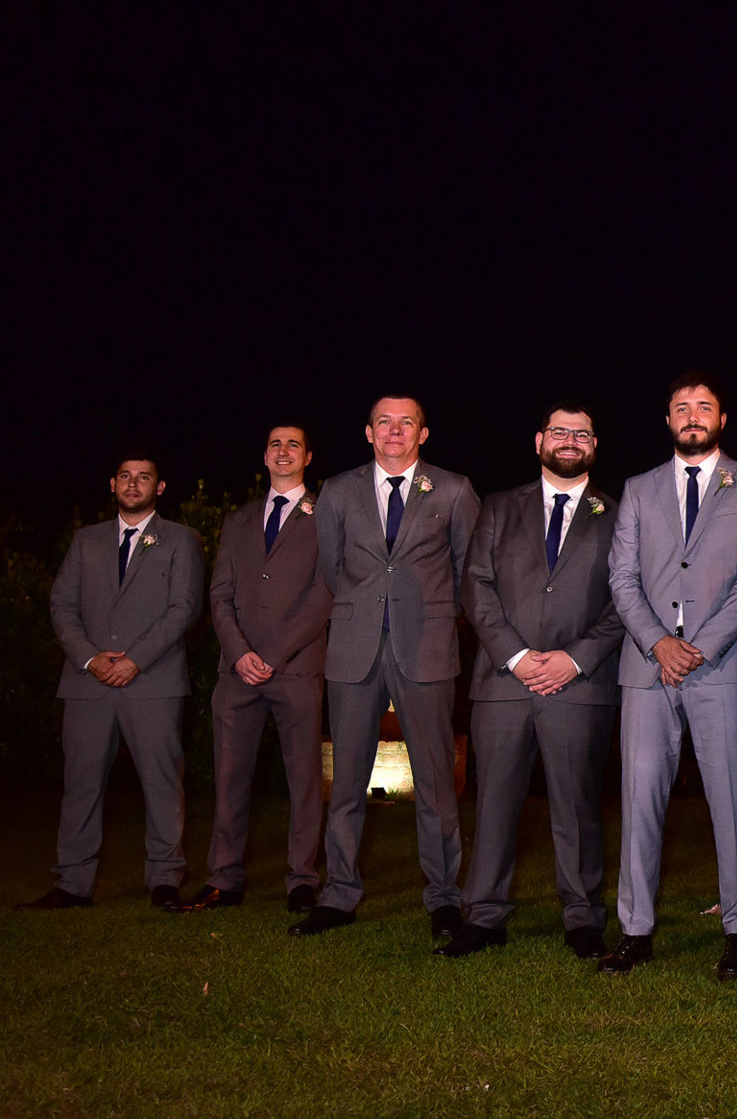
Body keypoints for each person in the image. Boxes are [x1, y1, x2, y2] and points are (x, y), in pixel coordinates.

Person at [439, 403, 625, 960]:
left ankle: (583, 917)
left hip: (580, 684)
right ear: (539, 440)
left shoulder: (618, 514)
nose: (570, 441)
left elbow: (627, 597)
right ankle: (484, 916)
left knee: (577, 806)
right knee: (494, 802)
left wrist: (576, 658)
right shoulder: (498, 507)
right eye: (559, 432)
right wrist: (516, 656)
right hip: (504, 681)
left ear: (595, 445)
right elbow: (476, 585)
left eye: (581, 434)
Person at [602, 374, 737, 980]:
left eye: (704, 407)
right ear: (668, 420)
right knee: (640, 801)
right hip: (647, 669)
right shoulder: (638, 488)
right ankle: (635, 931)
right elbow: (622, 578)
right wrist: (658, 643)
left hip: (723, 666)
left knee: (732, 801)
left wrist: (697, 648)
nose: (692, 416)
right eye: (682, 407)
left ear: (722, 419)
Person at [291, 396, 479, 941]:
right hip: (354, 649)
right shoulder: (337, 490)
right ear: (368, 433)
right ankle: (339, 895)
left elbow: (467, 571)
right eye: (384, 422)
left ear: (423, 433)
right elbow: (333, 568)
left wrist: (434, 615)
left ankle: (443, 897)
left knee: (435, 782)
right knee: (346, 783)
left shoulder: (454, 489)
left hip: (427, 649)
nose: (395, 430)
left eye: (406, 422)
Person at [21, 452, 204, 911]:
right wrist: (89, 658)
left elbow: (183, 607)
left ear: (159, 487)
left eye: (144, 477)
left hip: (154, 681)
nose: (133, 483)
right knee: (81, 784)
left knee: (162, 784)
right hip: (88, 684)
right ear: (112, 484)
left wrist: (135, 660)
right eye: (125, 476)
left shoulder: (181, 539)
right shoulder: (86, 541)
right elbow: (62, 604)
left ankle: (164, 879)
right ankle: (72, 884)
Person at [185, 425, 332, 913]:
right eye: (275, 444)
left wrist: (273, 654)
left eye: (293, 444)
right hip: (237, 672)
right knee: (229, 779)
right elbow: (220, 593)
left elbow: (324, 593)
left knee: (303, 780)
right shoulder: (238, 520)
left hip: (296, 669)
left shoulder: (327, 516)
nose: (283, 451)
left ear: (307, 456)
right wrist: (239, 652)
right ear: (264, 456)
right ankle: (224, 879)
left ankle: (302, 879)